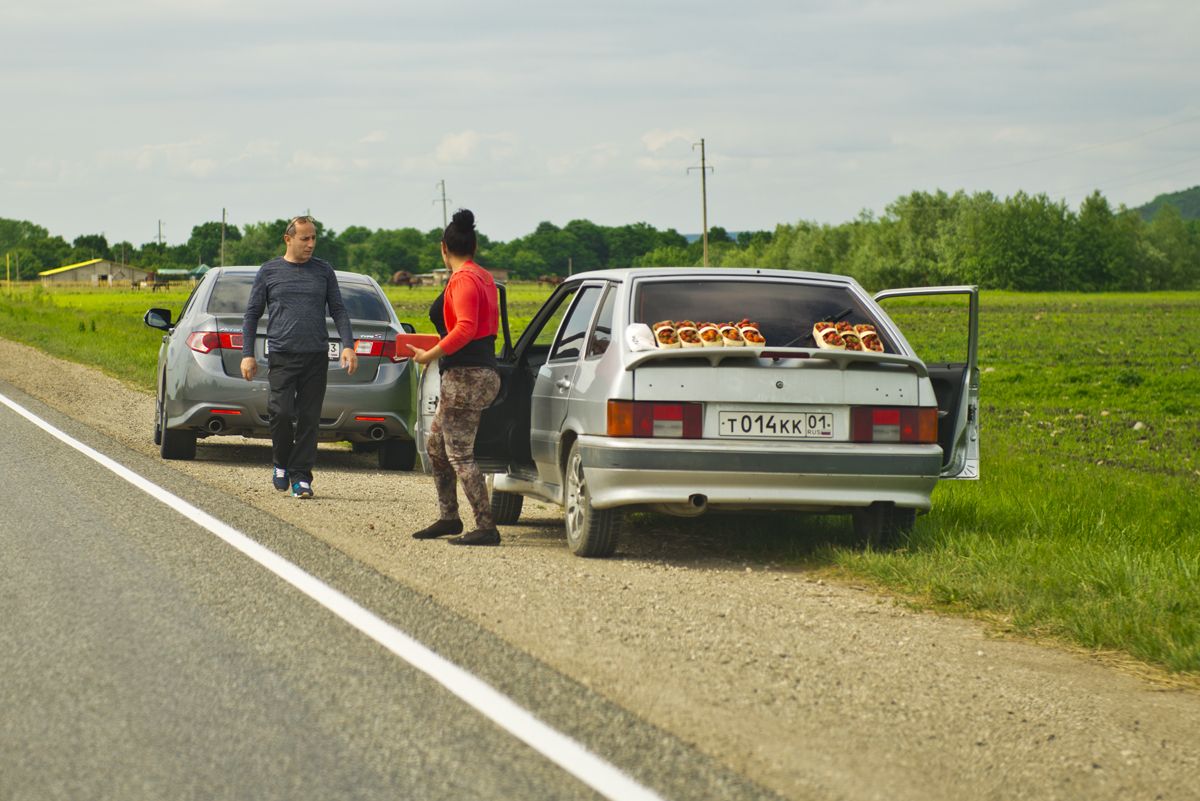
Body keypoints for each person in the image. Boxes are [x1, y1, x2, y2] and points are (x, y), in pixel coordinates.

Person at [240, 215, 358, 499]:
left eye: (314, 238)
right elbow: (252, 314)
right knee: (280, 413)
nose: (310, 244)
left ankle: (301, 477)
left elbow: (339, 310)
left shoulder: (323, 271)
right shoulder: (269, 272)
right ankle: (281, 463)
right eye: (305, 238)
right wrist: (247, 354)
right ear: (288, 239)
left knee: (309, 418)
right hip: (282, 354)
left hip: (315, 355)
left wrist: (348, 345)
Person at [408, 209, 502, 546]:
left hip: (466, 376)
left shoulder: (463, 279)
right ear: (473, 246)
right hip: (477, 371)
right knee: (436, 446)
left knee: (459, 453)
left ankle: (486, 526)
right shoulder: (484, 276)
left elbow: (465, 328)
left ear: (443, 248)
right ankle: (449, 517)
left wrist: (430, 355)